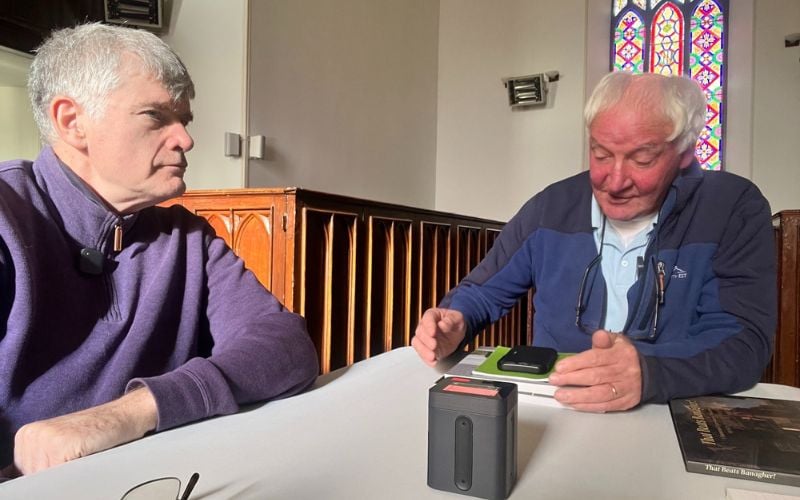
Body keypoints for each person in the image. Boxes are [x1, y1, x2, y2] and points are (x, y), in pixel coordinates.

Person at [0, 23, 318, 476]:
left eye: (184, 121)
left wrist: (133, 411)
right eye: (155, 116)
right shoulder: (7, 217)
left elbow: (287, 348)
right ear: (72, 122)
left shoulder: (187, 237)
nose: (185, 140)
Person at [413, 71, 776, 412]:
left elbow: (743, 343)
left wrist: (651, 371)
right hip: (555, 408)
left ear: (685, 151)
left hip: (669, 411)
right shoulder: (550, 207)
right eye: (601, 154)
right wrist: (456, 321)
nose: (614, 182)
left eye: (642, 159)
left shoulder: (731, 207)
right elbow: (482, 292)